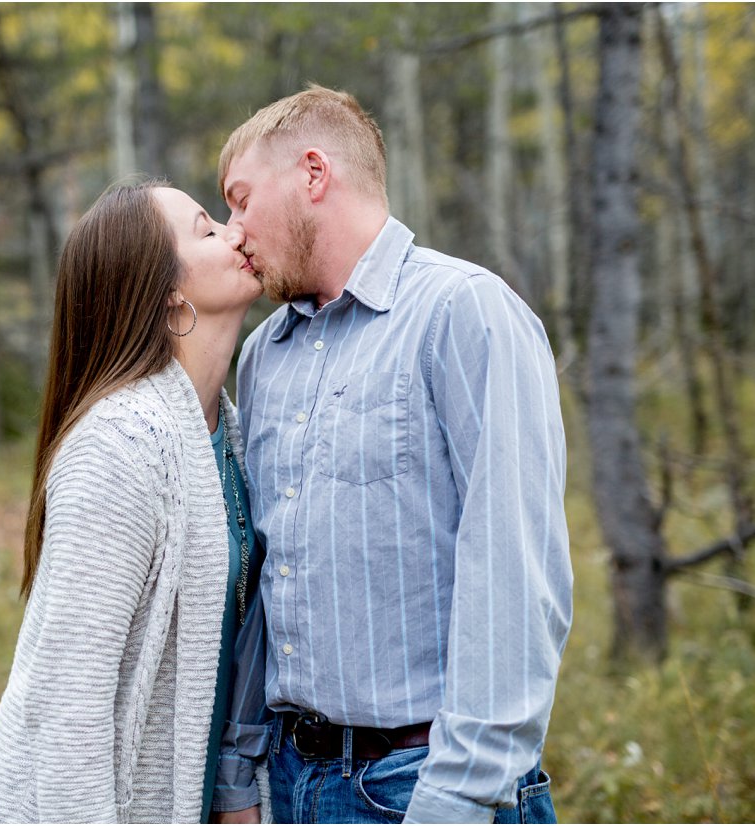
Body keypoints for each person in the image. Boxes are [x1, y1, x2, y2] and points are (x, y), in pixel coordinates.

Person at [208, 86, 573, 824]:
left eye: (240, 199)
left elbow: (514, 570)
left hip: (424, 786)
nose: (232, 230)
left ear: (313, 174)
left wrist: (455, 799)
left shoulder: (463, 312)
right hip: (292, 783)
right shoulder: (261, 358)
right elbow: (261, 586)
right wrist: (237, 777)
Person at [0, 180, 267, 823]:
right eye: (206, 230)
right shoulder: (121, 447)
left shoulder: (227, 435)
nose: (236, 231)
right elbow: (67, 705)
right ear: (166, 296)